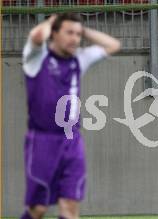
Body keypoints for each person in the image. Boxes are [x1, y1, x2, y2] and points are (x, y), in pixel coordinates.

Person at [21, 13, 120, 219]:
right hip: (42, 140)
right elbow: (37, 36)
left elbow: (113, 45)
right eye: (69, 33)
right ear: (54, 34)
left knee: (70, 205)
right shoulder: (36, 57)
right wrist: (51, 20)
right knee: (38, 209)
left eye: (78, 34)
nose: (75, 38)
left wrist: (84, 31)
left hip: (71, 140)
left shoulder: (78, 59)